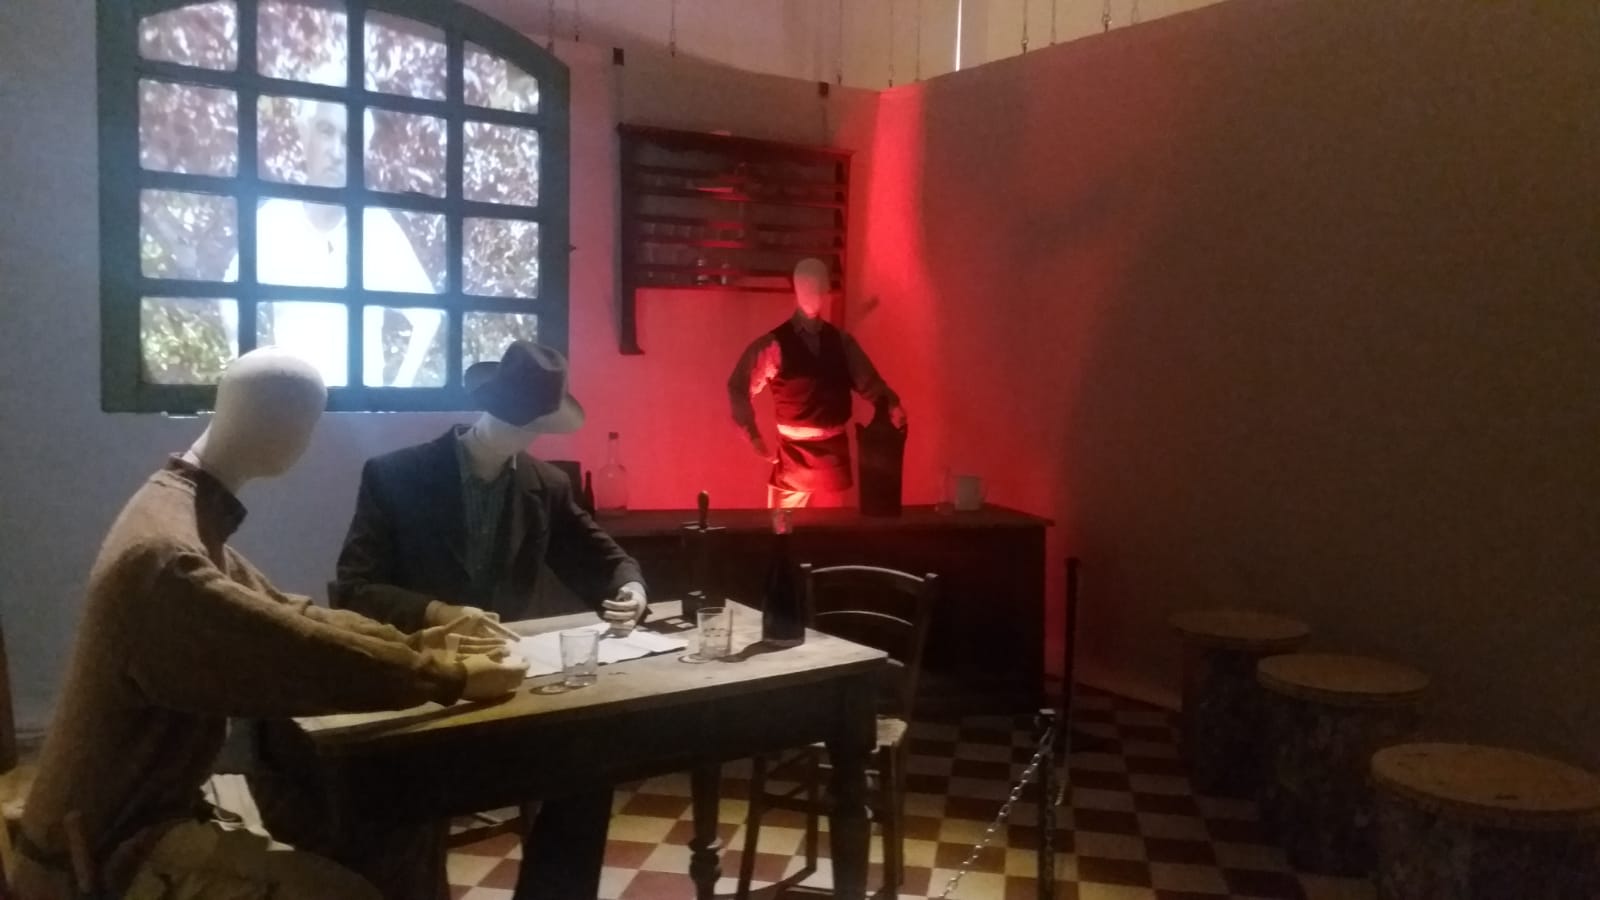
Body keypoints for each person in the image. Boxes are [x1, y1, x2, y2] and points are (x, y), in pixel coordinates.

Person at [12, 348, 528, 900]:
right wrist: (448, 676)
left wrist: (412, 641)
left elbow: (286, 612)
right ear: (288, 430)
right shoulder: (167, 556)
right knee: (349, 892)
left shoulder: (180, 509)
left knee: (394, 830)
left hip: (142, 815)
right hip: (104, 850)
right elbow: (290, 648)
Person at [332, 339, 646, 900]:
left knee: (591, 768)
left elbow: (602, 558)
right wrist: (438, 612)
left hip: (506, 687)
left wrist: (631, 587)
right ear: (486, 406)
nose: (519, 432)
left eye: (531, 423)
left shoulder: (545, 485)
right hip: (422, 684)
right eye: (511, 416)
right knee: (394, 804)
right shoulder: (396, 476)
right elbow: (354, 589)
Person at [225, 94, 444, 388]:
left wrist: (395, 397)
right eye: (326, 131)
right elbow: (230, 295)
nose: (337, 152)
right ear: (305, 135)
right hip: (295, 407)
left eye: (350, 139)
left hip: (361, 411)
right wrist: (252, 381)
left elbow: (428, 317)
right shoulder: (273, 221)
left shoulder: (377, 228)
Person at [727, 257, 907, 508]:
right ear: (796, 289)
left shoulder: (841, 342)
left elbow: (870, 383)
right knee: (782, 530)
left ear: (825, 290)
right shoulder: (774, 345)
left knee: (830, 530)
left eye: (817, 286)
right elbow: (738, 386)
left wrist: (892, 405)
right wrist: (752, 434)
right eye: (805, 285)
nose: (812, 292)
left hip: (833, 460)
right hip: (792, 459)